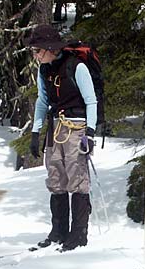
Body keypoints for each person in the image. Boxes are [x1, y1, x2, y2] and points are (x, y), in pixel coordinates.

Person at [24, 24, 98, 251]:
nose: (35, 55)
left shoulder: (76, 67)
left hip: (76, 128)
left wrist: (91, 132)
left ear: (49, 48)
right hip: (55, 128)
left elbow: (91, 100)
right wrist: (36, 131)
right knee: (55, 177)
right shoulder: (44, 70)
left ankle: (78, 234)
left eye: (37, 50)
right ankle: (58, 231)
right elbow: (42, 101)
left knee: (77, 178)